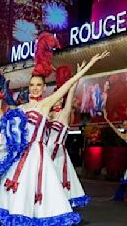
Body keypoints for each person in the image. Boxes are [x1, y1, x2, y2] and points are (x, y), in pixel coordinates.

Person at [0, 35, 109, 225]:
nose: (35, 89)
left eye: (38, 85)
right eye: (32, 85)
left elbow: (66, 87)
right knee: (18, 197)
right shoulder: (21, 109)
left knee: (37, 199)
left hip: (37, 156)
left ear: (44, 88)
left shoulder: (44, 105)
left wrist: (87, 66)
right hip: (20, 154)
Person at [45, 63, 90, 208]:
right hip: (45, 151)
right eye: (54, 96)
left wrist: (78, 75)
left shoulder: (65, 113)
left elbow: (71, 92)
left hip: (58, 154)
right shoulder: (46, 114)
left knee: (58, 182)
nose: (56, 98)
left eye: (59, 96)